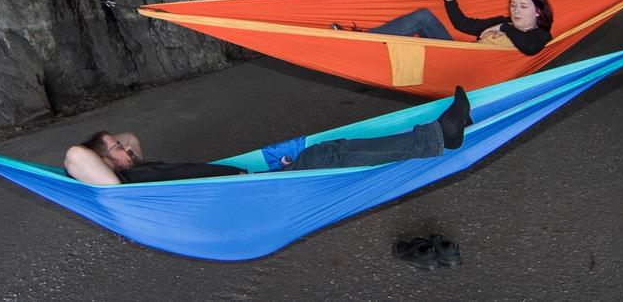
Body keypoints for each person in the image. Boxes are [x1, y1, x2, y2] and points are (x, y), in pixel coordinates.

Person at [62, 87, 471, 185]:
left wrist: (112, 145)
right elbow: (74, 157)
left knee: (329, 150)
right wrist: (102, 150)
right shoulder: (124, 186)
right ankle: (439, 136)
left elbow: (132, 136)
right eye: (116, 149)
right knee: (329, 153)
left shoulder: (138, 168)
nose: (127, 147)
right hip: (251, 190)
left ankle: (436, 134)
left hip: (254, 180)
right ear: (104, 161)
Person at [355, 0, 554, 55]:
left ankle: (361, 41)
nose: (516, 11)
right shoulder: (504, 21)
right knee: (424, 16)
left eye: (523, 7)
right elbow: (464, 24)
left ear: (538, 11)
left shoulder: (540, 34)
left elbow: (530, 48)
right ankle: (361, 40)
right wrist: (450, 0)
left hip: (468, 67)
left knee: (420, 24)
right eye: (513, 5)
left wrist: (504, 28)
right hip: (457, 55)